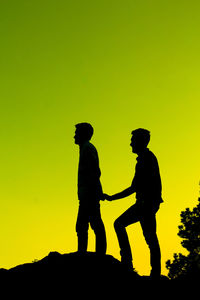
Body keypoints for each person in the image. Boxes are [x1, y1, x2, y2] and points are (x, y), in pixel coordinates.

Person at [103, 128, 163, 278]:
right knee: (150, 238)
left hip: (145, 204)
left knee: (122, 225)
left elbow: (134, 187)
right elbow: (136, 186)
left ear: (140, 141)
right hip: (146, 203)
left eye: (132, 141)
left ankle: (128, 263)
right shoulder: (146, 158)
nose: (130, 144)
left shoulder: (146, 159)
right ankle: (149, 270)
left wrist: (112, 198)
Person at [74, 122, 107, 255]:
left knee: (86, 224)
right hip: (87, 194)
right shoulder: (85, 148)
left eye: (76, 133)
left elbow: (95, 171)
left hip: (89, 194)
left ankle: (92, 254)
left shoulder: (87, 148)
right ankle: (92, 253)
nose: (74, 136)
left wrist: (96, 191)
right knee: (88, 224)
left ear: (83, 134)